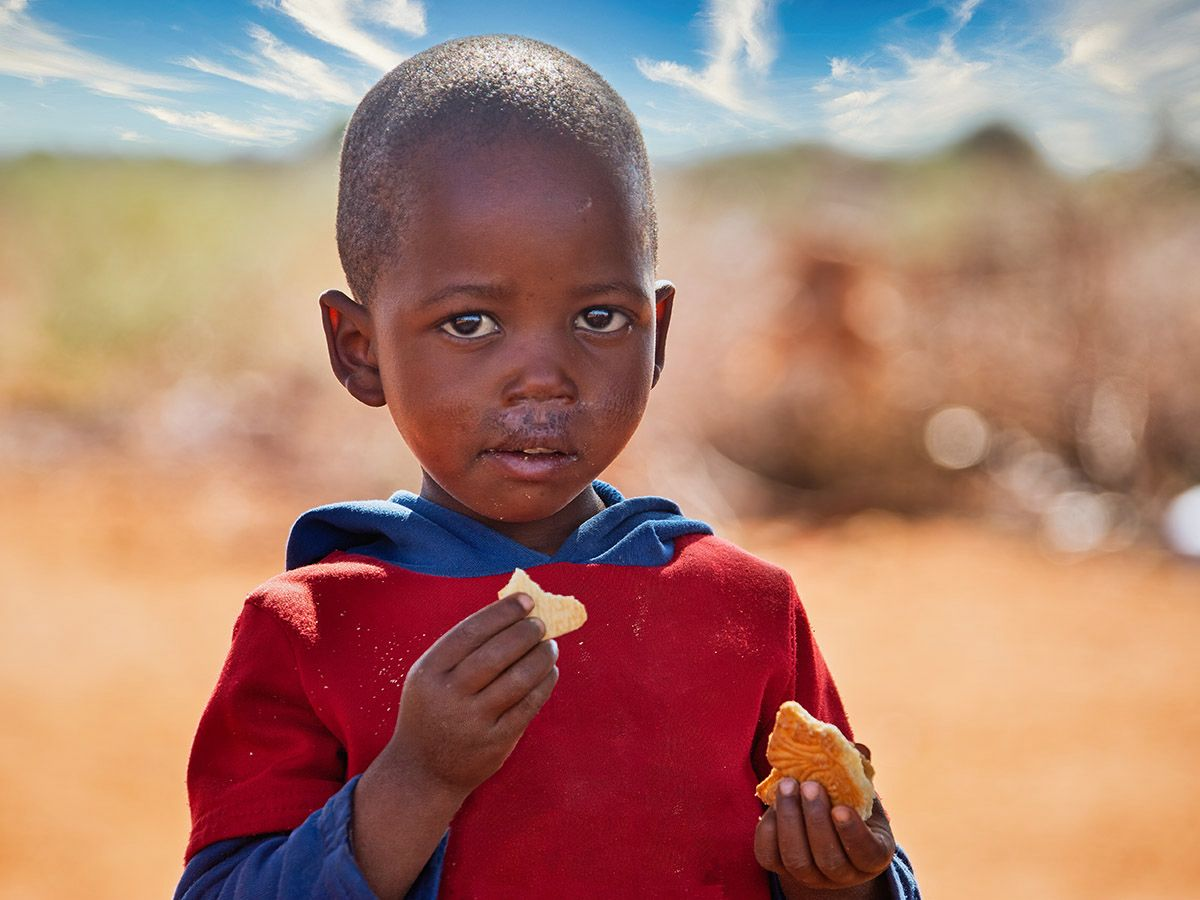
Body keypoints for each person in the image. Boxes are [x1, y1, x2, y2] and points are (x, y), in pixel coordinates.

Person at [175, 34, 921, 900]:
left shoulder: (746, 610)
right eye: (470, 323)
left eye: (600, 316)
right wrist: (414, 779)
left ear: (658, 334)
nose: (544, 375)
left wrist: (841, 877)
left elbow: (867, 867)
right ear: (360, 349)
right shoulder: (312, 628)